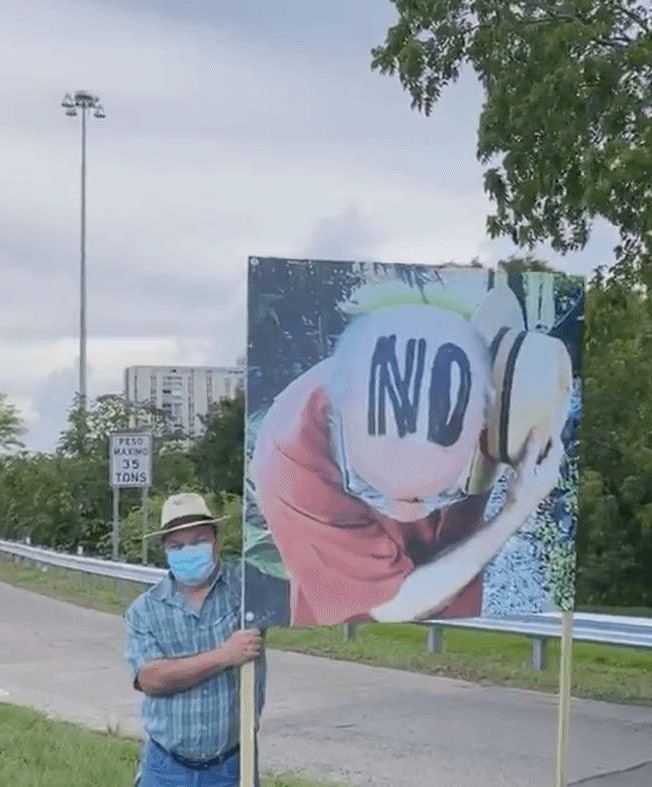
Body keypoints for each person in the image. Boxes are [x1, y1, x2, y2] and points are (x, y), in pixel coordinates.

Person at [251, 287, 572, 626]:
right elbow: (394, 606)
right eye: (372, 490)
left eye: (441, 492)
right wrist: (514, 511)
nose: (410, 514)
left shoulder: (492, 389)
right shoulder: (291, 461)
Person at [124, 492, 267, 787]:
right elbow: (151, 679)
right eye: (177, 545)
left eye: (199, 541)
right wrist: (226, 655)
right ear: (164, 548)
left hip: (231, 766)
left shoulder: (246, 588)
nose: (188, 550)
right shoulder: (145, 610)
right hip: (166, 768)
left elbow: (296, 568)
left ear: (216, 539)